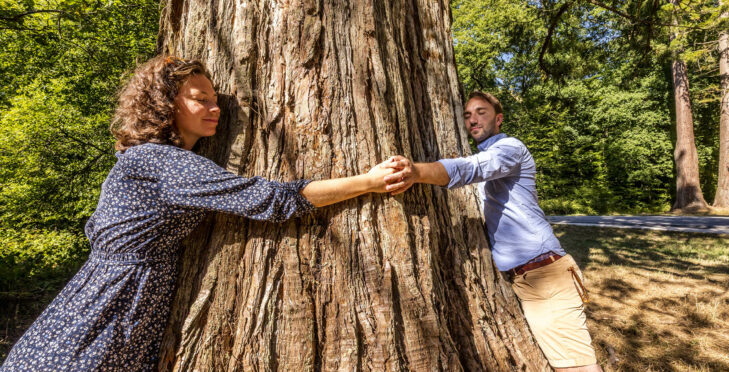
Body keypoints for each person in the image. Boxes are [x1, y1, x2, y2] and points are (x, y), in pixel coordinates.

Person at [0, 56, 401, 371]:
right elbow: (270, 199)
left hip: (112, 299)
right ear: (165, 103)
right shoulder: (160, 161)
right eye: (200, 99)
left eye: (214, 99)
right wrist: (368, 182)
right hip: (105, 311)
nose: (215, 109)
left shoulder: (147, 160)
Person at [382, 91, 602, 372]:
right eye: (467, 115)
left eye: (481, 112)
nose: (473, 119)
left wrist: (416, 172)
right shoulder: (489, 155)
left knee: (576, 367)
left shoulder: (509, 148)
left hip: (545, 275)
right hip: (527, 279)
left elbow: (471, 169)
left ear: (498, 119)